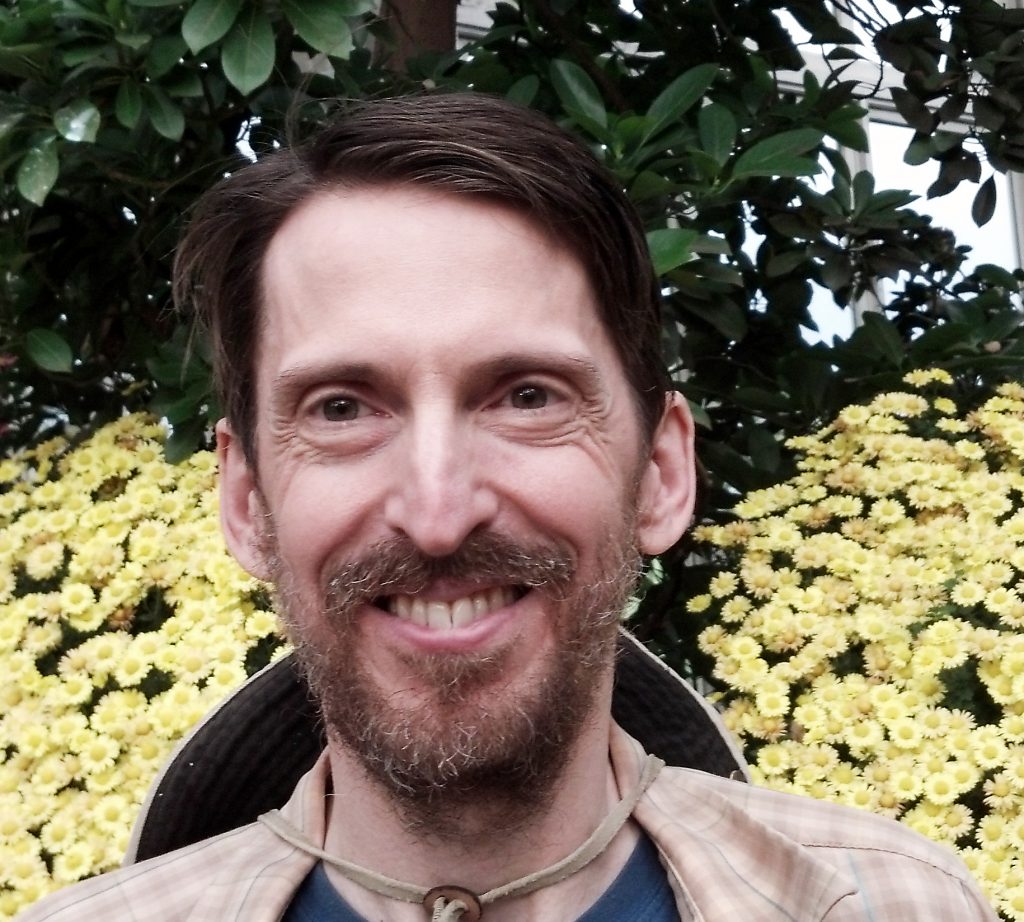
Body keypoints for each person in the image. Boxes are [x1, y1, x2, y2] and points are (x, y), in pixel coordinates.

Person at [19, 94, 996, 922]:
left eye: (528, 396)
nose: (438, 513)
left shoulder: (903, 904)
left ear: (660, 472)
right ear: (246, 503)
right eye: (342, 408)